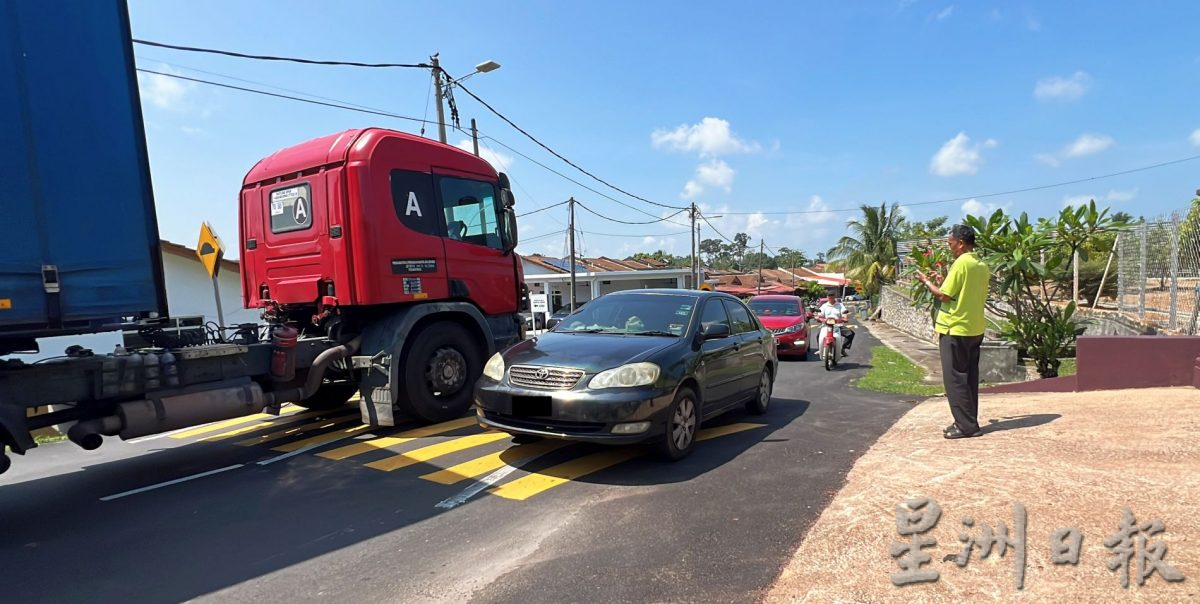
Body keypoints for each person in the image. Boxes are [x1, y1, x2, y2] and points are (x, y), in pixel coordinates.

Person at [916, 224, 990, 439]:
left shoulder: (961, 263)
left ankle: (966, 426)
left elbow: (944, 296)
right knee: (969, 377)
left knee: (955, 378)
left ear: (960, 243)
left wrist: (927, 282)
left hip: (954, 327)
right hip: (974, 327)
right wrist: (941, 281)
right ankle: (968, 421)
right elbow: (959, 291)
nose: (949, 248)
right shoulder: (981, 264)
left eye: (950, 244)